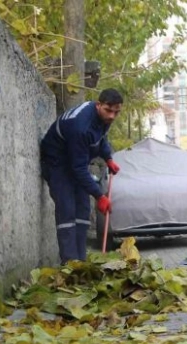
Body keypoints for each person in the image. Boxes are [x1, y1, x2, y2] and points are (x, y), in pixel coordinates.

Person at [40, 89, 123, 264]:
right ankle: (70, 264)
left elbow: (101, 139)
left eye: (117, 112)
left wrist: (108, 158)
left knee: (83, 209)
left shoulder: (103, 117)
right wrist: (99, 196)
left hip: (76, 160)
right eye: (109, 110)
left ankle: (81, 260)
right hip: (57, 163)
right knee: (67, 210)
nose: (112, 116)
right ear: (98, 105)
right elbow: (78, 168)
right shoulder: (80, 126)